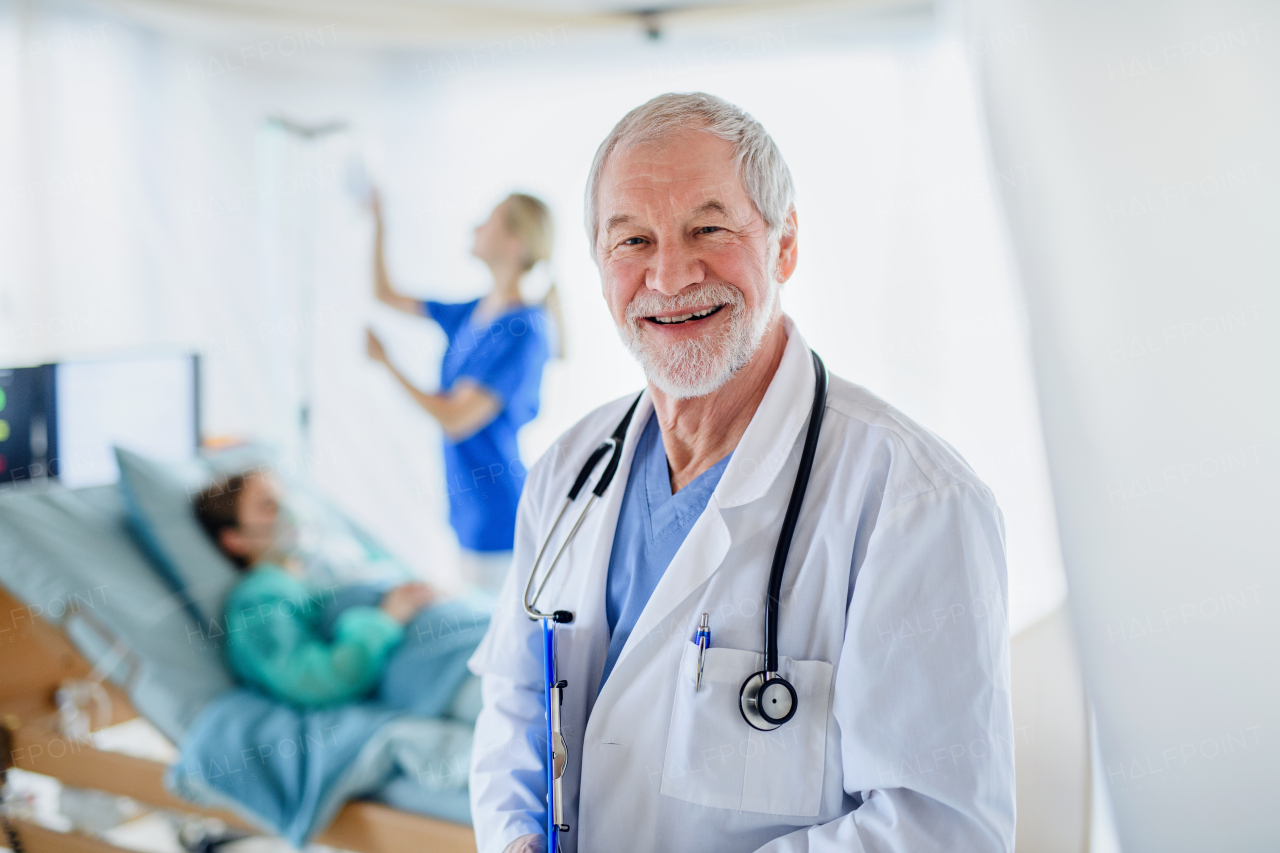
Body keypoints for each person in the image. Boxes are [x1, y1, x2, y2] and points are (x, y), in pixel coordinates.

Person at [468, 93, 1015, 853]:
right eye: (632, 240)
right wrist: (513, 836)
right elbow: (517, 696)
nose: (669, 275)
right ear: (599, 267)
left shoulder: (910, 497)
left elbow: (940, 827)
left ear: (784, 244)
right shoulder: (567, 470)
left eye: (709, 228)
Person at [366, 192, 556, 595]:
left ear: (514, 242)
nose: (475, 228)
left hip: (497, 514)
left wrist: (387, 363)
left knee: (487, 636)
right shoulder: (471, 313)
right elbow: (385, 294)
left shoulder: (523, 329)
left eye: (488, 221)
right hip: (465, 508)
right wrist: (379, 221)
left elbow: (455, 418)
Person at [194, 470, 440, 707]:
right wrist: (386, 619)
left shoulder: (323, 566)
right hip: (436, 668)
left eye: (285, 497)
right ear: (235, 540)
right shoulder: (260, 594)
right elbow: (306, 679)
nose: (289, 510)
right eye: (269, 505)